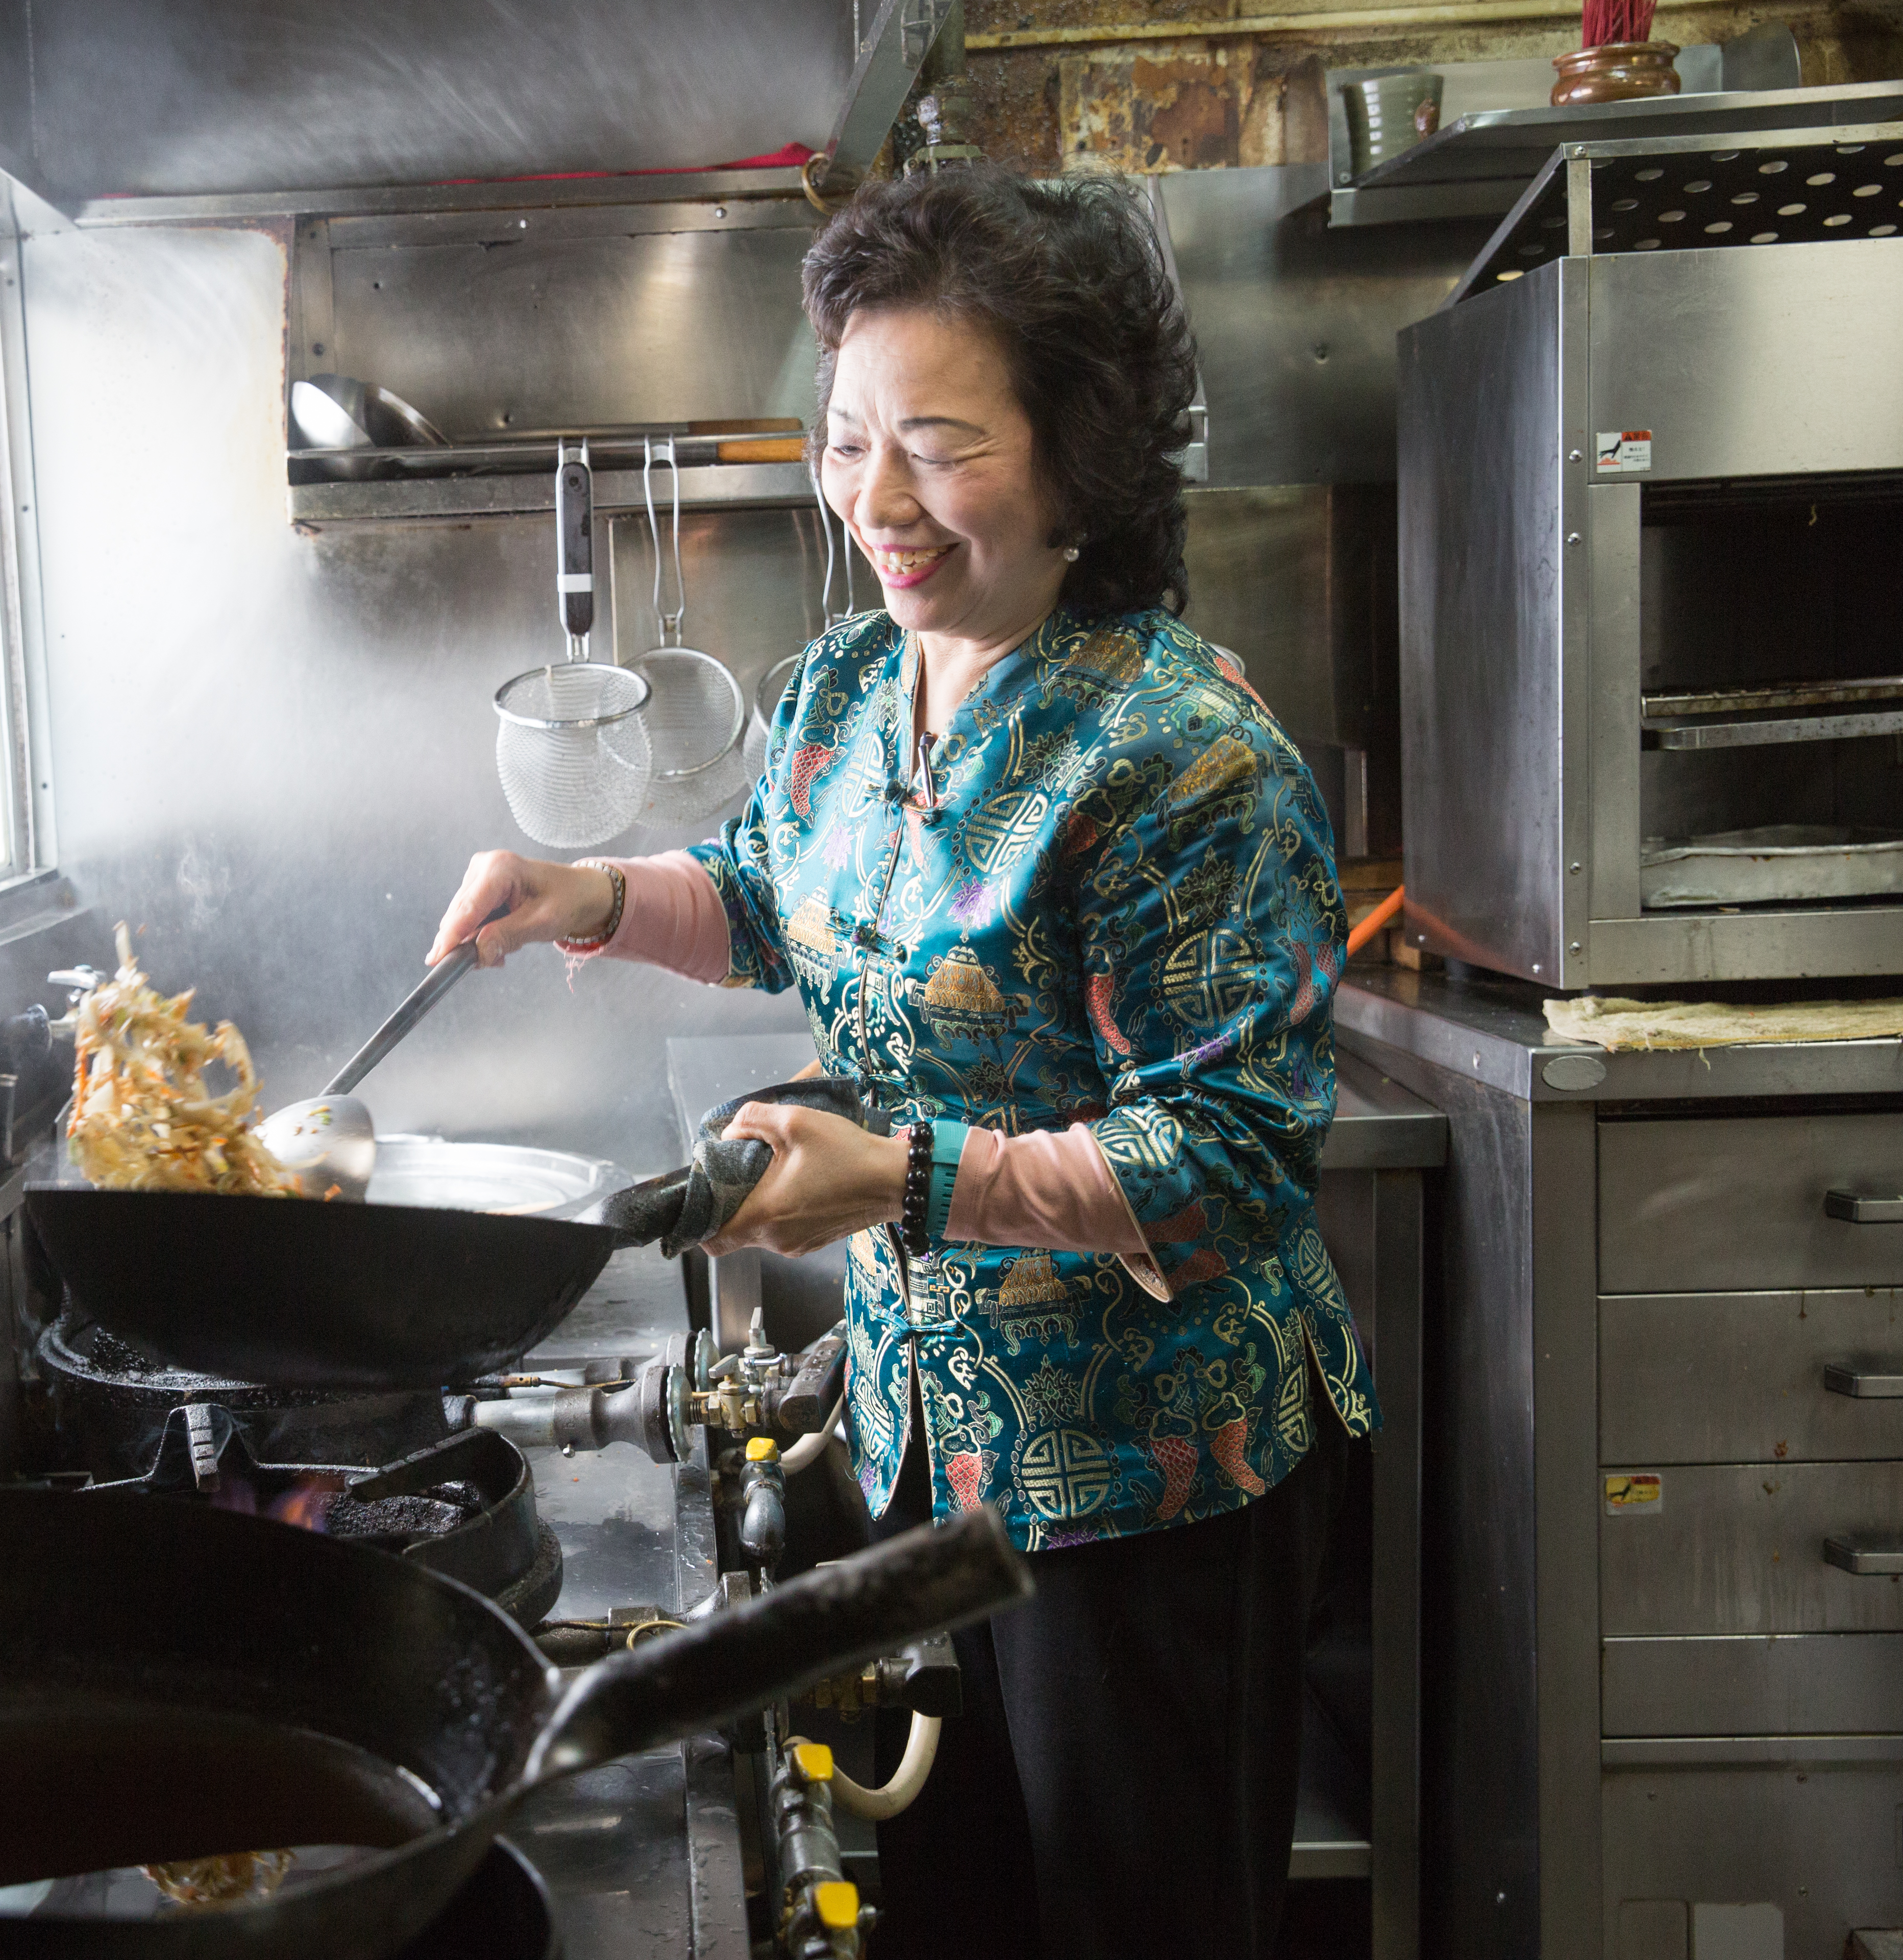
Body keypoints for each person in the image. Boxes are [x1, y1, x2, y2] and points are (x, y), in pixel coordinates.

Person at [426, 166, 1372, 1960]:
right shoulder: (858, 682)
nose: (874, 499)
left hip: (1147, 1477)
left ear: (1079, 452)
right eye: (849, 436)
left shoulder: (1188, 757)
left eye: (938, 445)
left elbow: (1238, 1161)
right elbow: (785, 903)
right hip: (929, 1446)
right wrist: (594, 896)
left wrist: (909, 1180)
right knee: (958, 1917)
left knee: (1137, 1927)